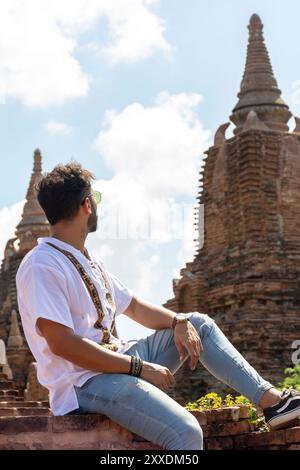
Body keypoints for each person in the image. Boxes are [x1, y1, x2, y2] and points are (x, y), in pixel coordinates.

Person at [16, 162, 300, 451]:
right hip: (84, 384)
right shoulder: (42, 264)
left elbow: (136, 307)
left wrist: (179, 321)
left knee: (197, 324)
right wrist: (139, 368)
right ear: (87, 204)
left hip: (119, 361)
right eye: (96, 199)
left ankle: (271, 402)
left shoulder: (88, 261)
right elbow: (63, 344)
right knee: (186, 433)